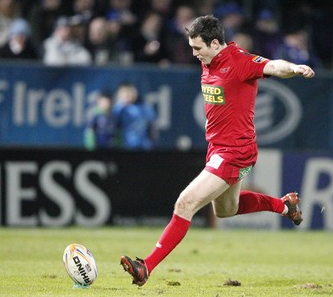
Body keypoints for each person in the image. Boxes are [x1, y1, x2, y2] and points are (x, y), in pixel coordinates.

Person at [120, 15, 315, 287]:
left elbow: (272, 66)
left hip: (236, 151)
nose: (194, 54)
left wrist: (294, 68)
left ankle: (146, 266)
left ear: (215, 43)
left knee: (185, 203)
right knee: (226, 211)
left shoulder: (239, 61)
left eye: (198, 48)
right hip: (218, 148)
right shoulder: (208, 61)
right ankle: (285, 205)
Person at [112, 83, 156, 150]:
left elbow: (152, 126)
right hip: (125, 146)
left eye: (130, 92)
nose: (127, 95)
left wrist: (151, 141)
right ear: (119, 94)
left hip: (143, 146)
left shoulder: (145, 107)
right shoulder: (117, 109)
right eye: (124, 92)